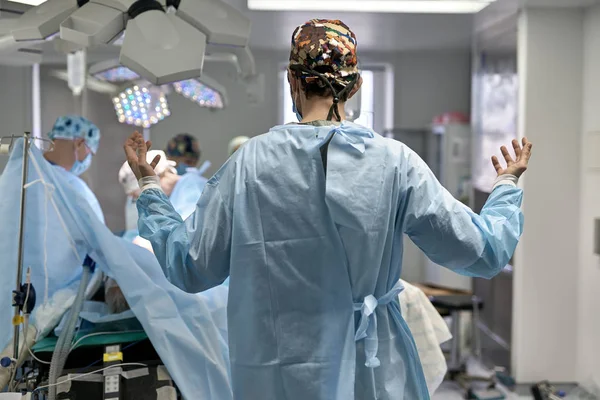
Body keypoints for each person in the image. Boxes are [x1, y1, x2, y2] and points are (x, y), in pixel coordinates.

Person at [124, 19, 533, 400]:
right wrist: (506, 186)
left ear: (292, 81)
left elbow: (191, 265)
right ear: (354, 87)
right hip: (371, 366)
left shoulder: (250, 162)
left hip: (276, 368)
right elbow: (482, 250)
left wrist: (149, 190)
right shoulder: (394, 162)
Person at [44, 115, 103, 223]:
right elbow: (98, 237)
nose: (88, 159)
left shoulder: (24, 169)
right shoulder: (75, 189)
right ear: (79, 144)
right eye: (90, 152)